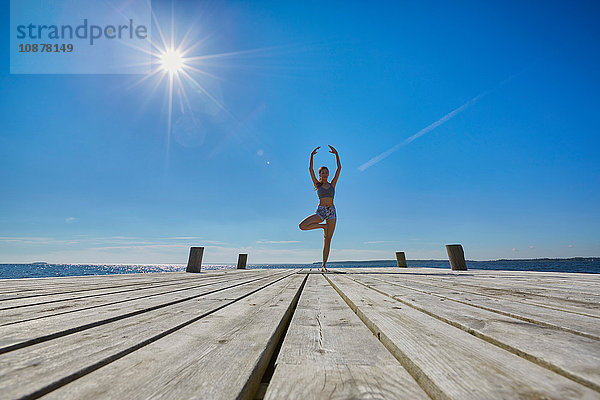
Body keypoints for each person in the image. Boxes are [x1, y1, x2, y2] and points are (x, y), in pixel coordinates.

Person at [298, 145, 341, 272]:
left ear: (328, 174)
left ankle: (323, 265)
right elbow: (310, 169)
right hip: (321, 211)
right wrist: (311, 156)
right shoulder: (317, 184)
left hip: (332, 211)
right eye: (322, 172)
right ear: (320, 174)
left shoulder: (332, 184)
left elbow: (339, 168)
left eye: (326, 172)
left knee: (328, 239)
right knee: (302, 225)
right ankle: (322, 226)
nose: (324, 174)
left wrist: (336, 154)